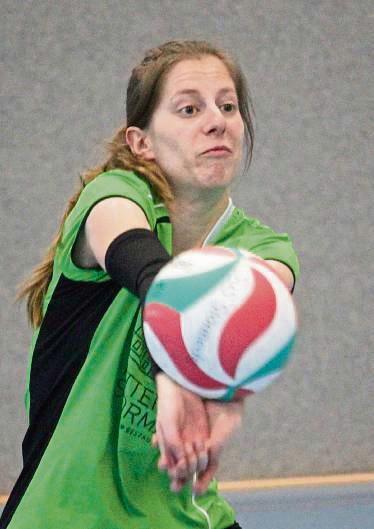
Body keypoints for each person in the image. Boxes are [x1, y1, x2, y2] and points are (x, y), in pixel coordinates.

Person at [0, 40, 299, 529]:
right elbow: (145, 268)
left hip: (188, 516)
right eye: (189, 108)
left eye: (228, 106)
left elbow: (262, 308)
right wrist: (173, 374)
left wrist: (227, 395)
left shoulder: (261, 246)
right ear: (141, 142)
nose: (216, 120)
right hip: (65, 514)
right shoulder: (112, 198)